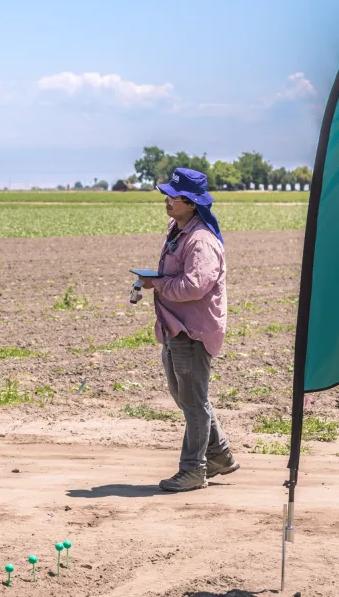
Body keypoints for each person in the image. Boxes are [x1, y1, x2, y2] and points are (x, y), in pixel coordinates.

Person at [138, 167, 235, 492]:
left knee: (194, 402)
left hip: (192, 330)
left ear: (192, 204)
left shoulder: (200, 241)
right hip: (175, 326)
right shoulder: (178, 230)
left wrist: (157, 284)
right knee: (187, 397)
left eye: (174, 197)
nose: (167, 201)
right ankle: (219, 455)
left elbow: (194, 287)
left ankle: (194, 469)